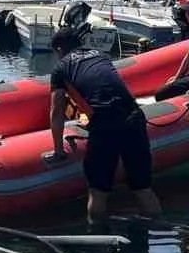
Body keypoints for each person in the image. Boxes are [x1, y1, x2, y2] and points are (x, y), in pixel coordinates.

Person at [47, 26, 162, 222]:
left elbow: (56, 112)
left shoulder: (61, 68)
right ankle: (157, 233)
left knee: (98, 191)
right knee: (142, 188)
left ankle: (98, 239)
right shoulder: (100, 56)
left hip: (105, 125)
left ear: (59, 50)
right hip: (133, 117)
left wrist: (58, 150)